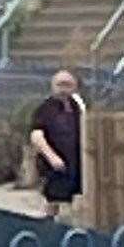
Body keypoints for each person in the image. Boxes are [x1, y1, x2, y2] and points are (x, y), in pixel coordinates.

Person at [29, 70, 85, 219]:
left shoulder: (78, 107)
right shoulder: (45, 109)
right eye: (60, 84)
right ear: (53, 86)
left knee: (76, 204)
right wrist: (52, 157)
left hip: (77, 165)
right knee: (52, 202)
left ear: (74, 87)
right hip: (55, 166)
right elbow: (36, 136)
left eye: (67, 85)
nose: (63, 89)